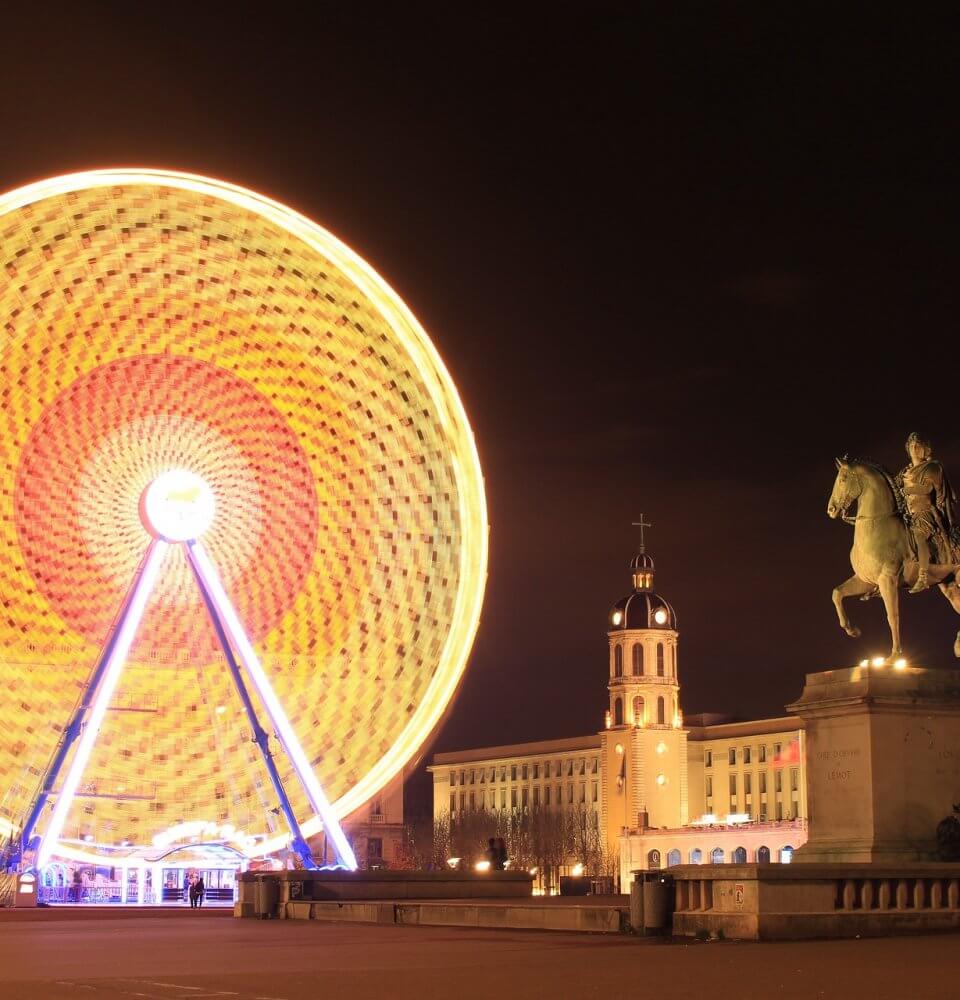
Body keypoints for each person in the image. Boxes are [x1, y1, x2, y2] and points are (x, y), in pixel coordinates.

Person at [896, 432, 957, 593]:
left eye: (917, 446)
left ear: (925, 449)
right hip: (909, 516)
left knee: (919, 536)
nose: (914, 449)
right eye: (911, 446)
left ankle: (922, 577)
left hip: (925, 513)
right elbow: (894, 489)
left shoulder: (933, 467)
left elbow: (929, 487)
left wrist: (907, 489)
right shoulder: (904, 472)